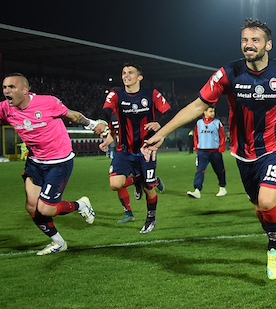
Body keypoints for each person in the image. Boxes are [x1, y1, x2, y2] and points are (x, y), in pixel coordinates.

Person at [141, 18, 276, 280]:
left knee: (267, 200)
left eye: (255, 40)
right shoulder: (228, 73)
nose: (249, 45)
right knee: (260, 210)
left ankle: (273, 248)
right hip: (243, 151)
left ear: (268, 44)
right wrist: (161, 133)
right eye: (245, 40)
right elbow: (196, 106)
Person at [0, 73, 96, 255]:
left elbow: (73, 116)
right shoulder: (5, 108)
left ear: (25, 90)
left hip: (59, 162)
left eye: (11, 87)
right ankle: (58, 242)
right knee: (31, 206)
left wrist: (92, 124)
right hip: (35, 162)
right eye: (4, 87)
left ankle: (81, 205)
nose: (6, 91)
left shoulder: (47, 102)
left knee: (45, 209)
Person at [95, 63, 171, 232]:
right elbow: (107, 110)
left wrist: (160, 124)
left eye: (130, 72)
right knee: (115, 184)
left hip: (146, 150)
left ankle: (151, 218)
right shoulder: (116, 94)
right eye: (123, 73)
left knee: (149, 188)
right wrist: (101, 121)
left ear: (139, 77)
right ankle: (138, 179)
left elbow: (170, 113)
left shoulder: (151, 94)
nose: (126, 75)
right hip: (124, 150)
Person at [187, 105, 228, 199]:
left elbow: (222, 135)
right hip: (202, 152)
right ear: (204, 112)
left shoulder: (217, 123)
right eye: (210, 111)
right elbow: (196, 135)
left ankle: (222, 187)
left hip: (215, 152)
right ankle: (197, 190)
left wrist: (222, 147)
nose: (213, 113)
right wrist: (196, 146)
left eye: (213, 111)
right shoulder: (199, 123)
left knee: (220, 170)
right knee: (200, 171)